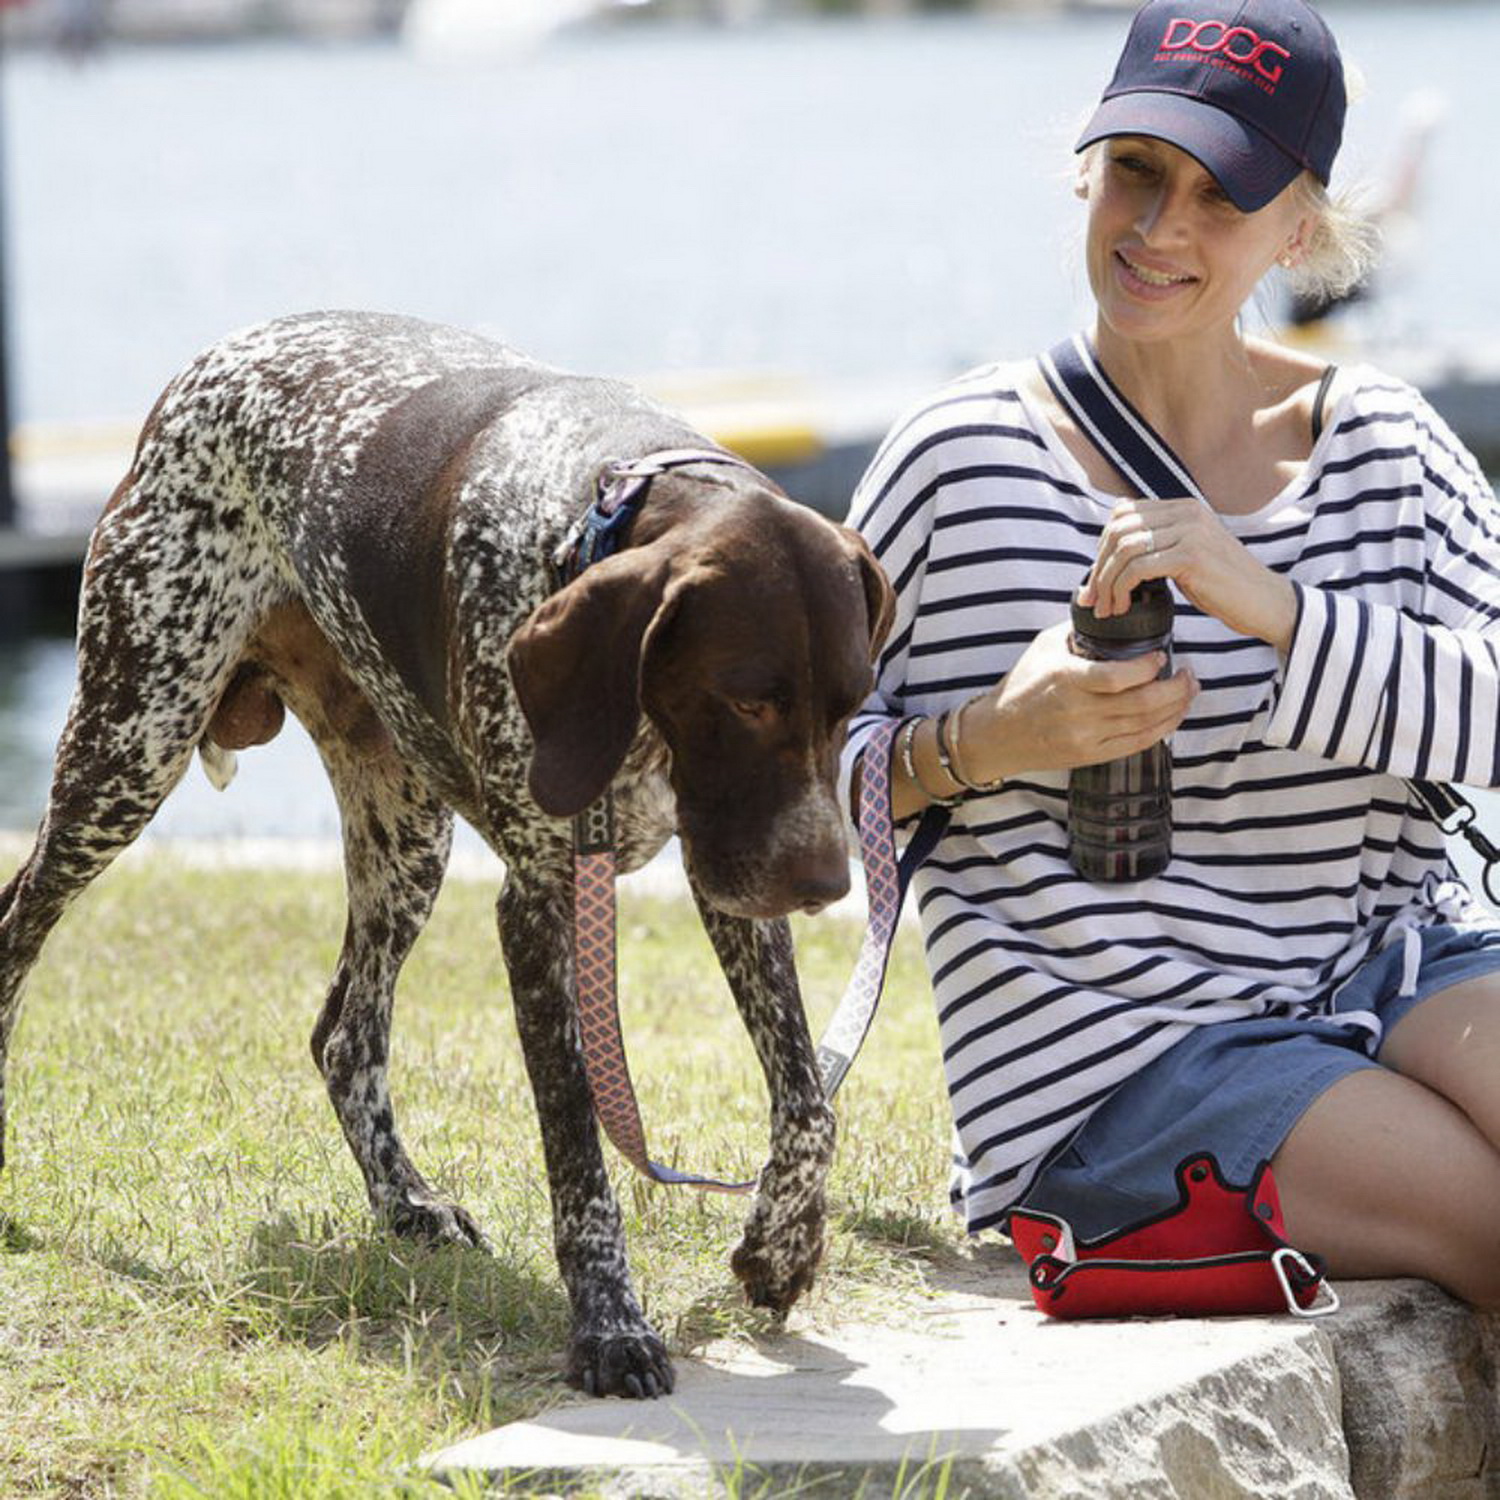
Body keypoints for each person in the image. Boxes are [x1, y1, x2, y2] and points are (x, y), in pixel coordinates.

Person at [841, 0, 1500, 1307]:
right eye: (1138, 171)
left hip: (1398, 966)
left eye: (1222, 196)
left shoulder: (1385, 445)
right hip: (1118, 1064)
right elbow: (773, 799)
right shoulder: (955, 462)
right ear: (1088, 164)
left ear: (1299, 229)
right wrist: (984, 745)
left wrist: (1280, 612)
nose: (1158, 230)